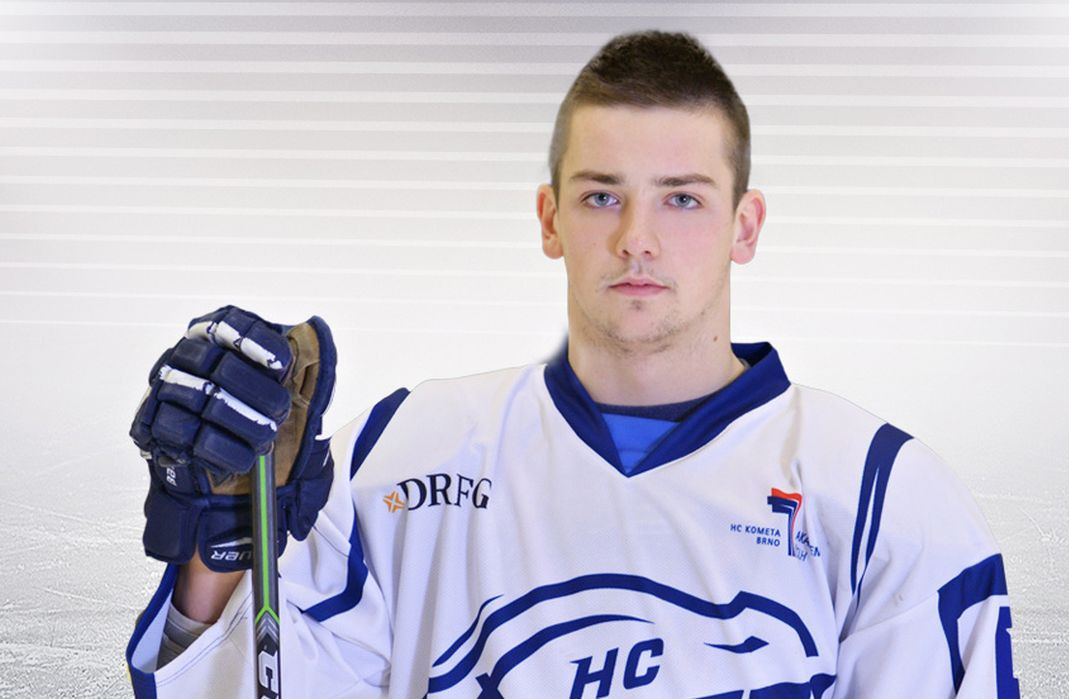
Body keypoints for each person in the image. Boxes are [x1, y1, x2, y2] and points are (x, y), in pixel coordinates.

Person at [125, 31, 1019, 698]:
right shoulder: (400, 454)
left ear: (744, 225)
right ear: (550, 219)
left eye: (682, 198)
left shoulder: (884, 495)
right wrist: (221, 552)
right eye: (601, 196)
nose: (638, 238)